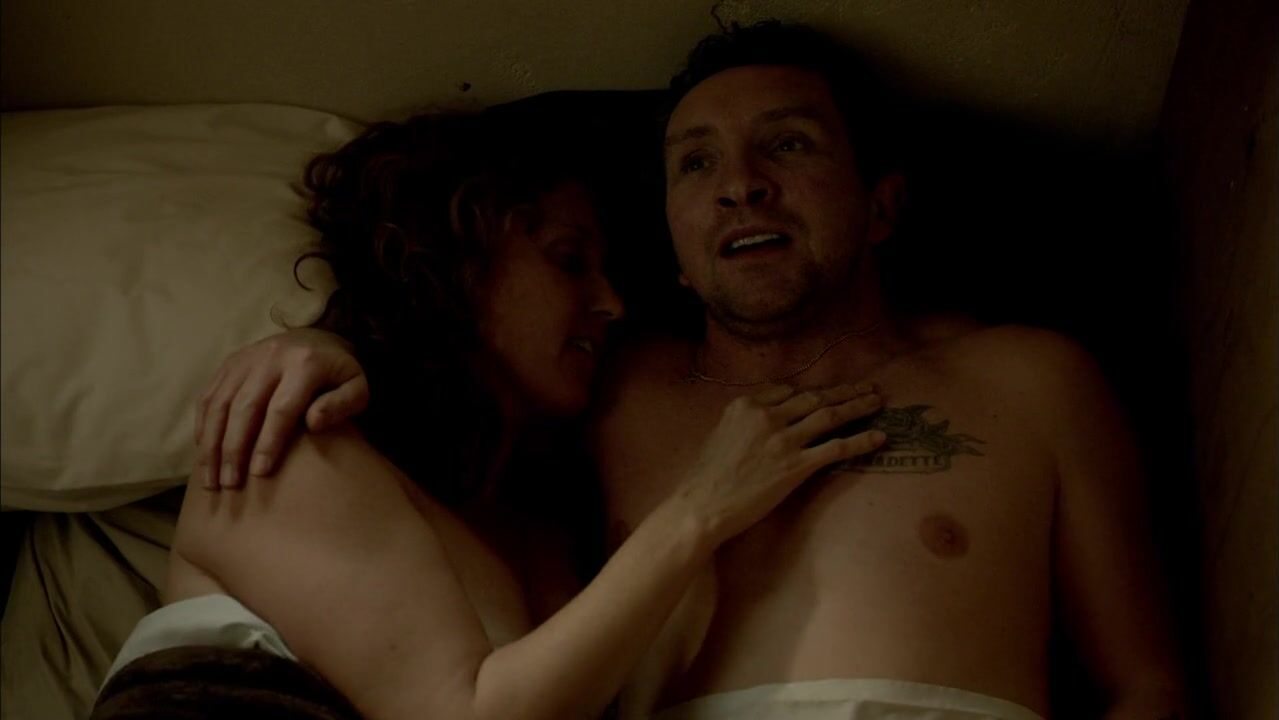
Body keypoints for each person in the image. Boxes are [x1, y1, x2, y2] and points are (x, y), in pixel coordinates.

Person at [199, 22, 1189, 720]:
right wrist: (326, 343)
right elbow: (456, 361)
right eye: (695, 163)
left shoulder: (1027, 380)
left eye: (788, 144)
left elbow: (1145, 687)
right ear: (671, 246)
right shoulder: (607, 389)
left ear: (882, 207)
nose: (741, 185)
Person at [94, 104, 889, 720]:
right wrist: (698, 510)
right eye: (568, 261)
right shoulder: (289, 437)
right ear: (458, 262)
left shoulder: (532, 517)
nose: (610, 304)